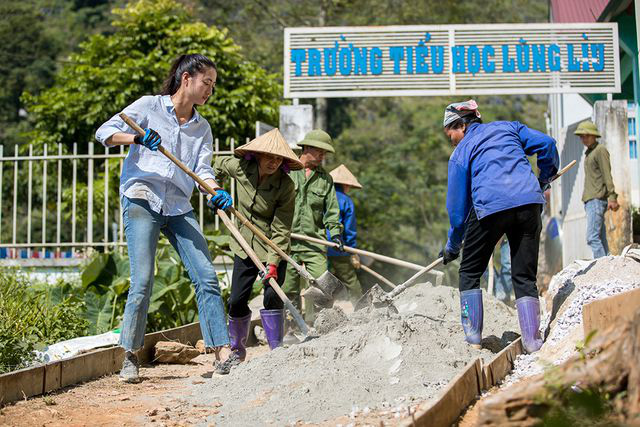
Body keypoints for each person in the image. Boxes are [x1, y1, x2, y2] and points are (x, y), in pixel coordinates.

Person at [95, 54, 235, 382]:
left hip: (178, 205)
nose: (209, 91)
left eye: (213, 86)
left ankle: (222, 353)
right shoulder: (149, 107)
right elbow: (105, 132)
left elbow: (201, 169)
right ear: (186, 79)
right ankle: (129, 355)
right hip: (142, 197)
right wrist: (138, 138)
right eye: (206, 83)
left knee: (206, 276)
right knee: (142, 280)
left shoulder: (202, 127)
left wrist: (215, 190)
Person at [440, 100, 559, 354]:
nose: (450, 139)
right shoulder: (509, 128)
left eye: (449, 132)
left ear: (461, 125)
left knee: (470, 272)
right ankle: (532, 343)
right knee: (524, 275)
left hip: (490, 209)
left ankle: (473, 342)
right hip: (528, 203)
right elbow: (548, 144)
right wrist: (545, 177)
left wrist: (452, 246)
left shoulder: (461, 152)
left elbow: (458, 212)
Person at [211, 128, 301, 372]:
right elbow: (216, 165)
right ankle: (236, 352)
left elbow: (282, 228)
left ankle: (276, 352)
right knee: (237, 300)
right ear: (258, 155)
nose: (274, 162)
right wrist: (216, 190)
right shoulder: (240, 168)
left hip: (272, 246)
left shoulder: (285, 186)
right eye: (269, 157)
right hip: (243, 244)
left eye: (279, 159)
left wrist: (273, 264)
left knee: (272, 298)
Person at [282, 130, 342, 321]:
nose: (323, 156)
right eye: (320, 151)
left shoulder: (326, 179)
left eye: (325, 153)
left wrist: (336, 234)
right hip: (286, 240)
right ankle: (291, 327)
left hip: (314, 241)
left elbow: (332, 210)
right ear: (306, 148)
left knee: (324, 284)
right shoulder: (286, 170)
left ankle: (320, 323)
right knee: (288, 286)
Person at [574, 120, 619, 259]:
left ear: (594, 135)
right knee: (600, 237)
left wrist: (612, 196)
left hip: (597, 200)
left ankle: (601, 268)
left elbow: (607, 174)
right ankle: (607, 265)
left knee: (592, 237)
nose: (583, 139)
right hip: (591, 200)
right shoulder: (589, 152)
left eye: (586, 135)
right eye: (581, 136)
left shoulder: (600, 150)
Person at [326, 164, 363, 300]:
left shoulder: (321, 196)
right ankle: (362, 307)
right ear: (345, 185)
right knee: (350, 279)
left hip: (316, 244)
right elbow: (349, 229)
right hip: (337, 245)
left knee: (317, 280)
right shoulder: (346, 201)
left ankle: (312, 316)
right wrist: (352, 251)